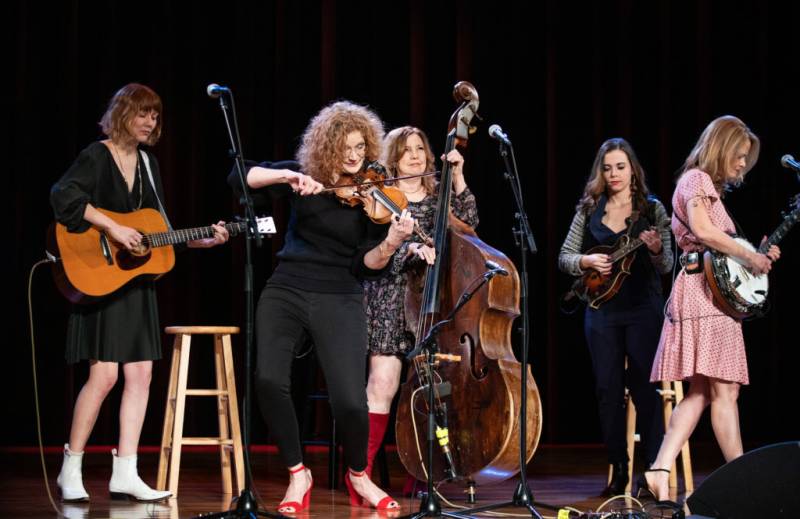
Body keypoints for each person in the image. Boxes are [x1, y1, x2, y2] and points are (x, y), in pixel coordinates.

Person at [50, 83, 229, 502]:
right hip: (101, 278)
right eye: (144, 113)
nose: (151, 121)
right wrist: (111, 227)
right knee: (104, 374)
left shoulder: (148, 164)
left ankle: (125, 472)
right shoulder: (97, 155)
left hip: (134, 283)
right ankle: (70, 466)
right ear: (123, 113)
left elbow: (157, 228)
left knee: (142, 374)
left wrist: (198, 240)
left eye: (156, 116)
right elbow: (64, 197)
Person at [237, 101, 413, 514]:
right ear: (327, 146)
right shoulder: (305, 178)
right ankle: (299, 474)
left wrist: (391, 242)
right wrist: (290, 176)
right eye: (345, 147)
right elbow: (241, 174)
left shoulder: (374, 197)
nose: (354, 156)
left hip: (340, 294)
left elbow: (365, 265)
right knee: (268, 381)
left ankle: (359, 474)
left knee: (351, 401)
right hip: (288, 287)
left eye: (360, 147)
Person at [643, 116, 780, 502]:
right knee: (725, 389)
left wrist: (755, 254)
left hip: (708, 293)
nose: (741, 166)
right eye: (739, 157)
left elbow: (721, 244)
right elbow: (703, 233)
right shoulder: (696, 180)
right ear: (721, 147)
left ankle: (659, 469)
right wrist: (746, 253)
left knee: (702, 391)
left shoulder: (706, 188)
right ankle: (744, 480)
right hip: (703, 295)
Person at [362, 126, 478, 482]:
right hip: (391, 297)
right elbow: (371, 250)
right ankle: (361, 474)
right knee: (383, 383)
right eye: (405, 150)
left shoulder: (440, 195)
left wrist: (457, 177)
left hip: (434, 303)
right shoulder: (379, 197)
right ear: (392, 159)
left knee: (435, 387)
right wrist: (408, 248)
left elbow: (470, 227)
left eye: (420, 148)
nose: (414, 155)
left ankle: (425, 471)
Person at [558, 137, 673, 496]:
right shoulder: (589, 209)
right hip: (601, 311)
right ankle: (619, 470)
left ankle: (653, 471)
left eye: (620, 166)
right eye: (607, 168)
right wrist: (586, 261)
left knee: (645, 388)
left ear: (632, 169)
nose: (613, 174)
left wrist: (654, 250)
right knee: (607, 390)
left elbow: (667, 264)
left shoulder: (652, 210)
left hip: (643, 309)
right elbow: (564, 257)